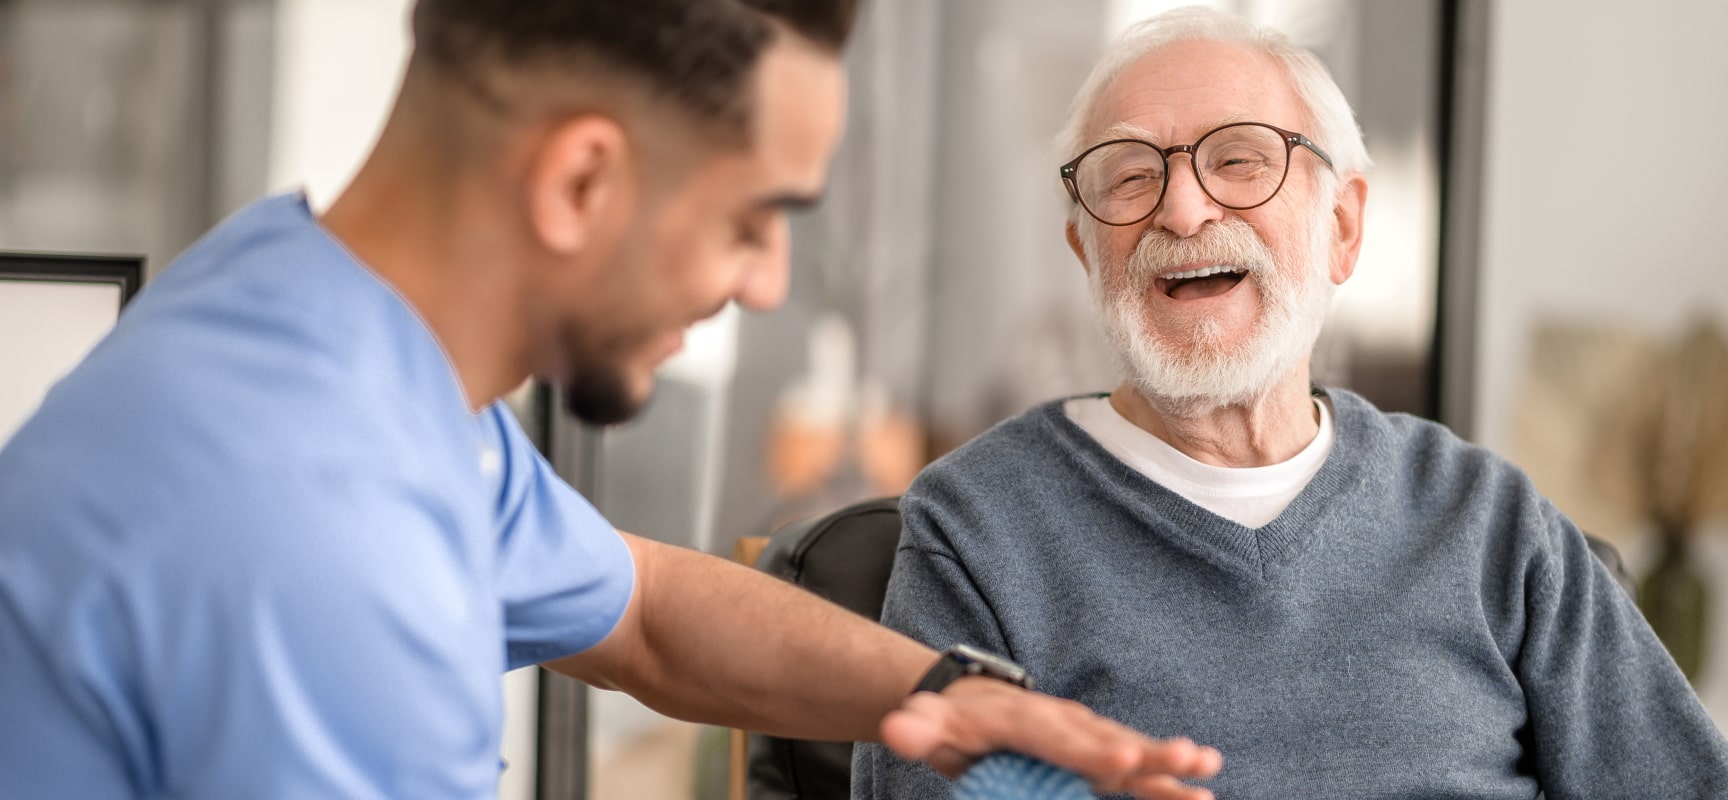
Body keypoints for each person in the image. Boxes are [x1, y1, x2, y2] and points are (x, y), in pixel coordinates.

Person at [0, 2, 1226, 798]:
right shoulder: (314, 529)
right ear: (582, 179)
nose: (768, 282)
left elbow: (646, 612)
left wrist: (955, 695)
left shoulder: (319, 330)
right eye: (754, 219)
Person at [854, 6, 1728, 798]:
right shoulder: (978, 527)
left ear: (1342, 227)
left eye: (1239, 161)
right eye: (1129, 178)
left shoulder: (1490, 520)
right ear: (1086, 248)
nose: (1185, 210)